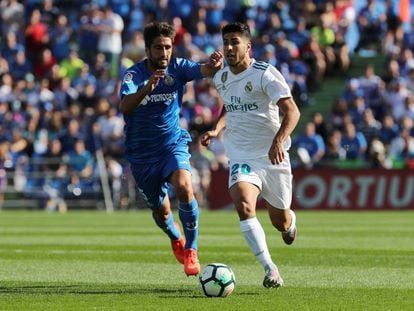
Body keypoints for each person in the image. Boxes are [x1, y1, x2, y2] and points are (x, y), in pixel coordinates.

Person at [201, 22, 300, 288]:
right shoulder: (221, 77)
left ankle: (290, 223)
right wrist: (216, 129)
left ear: (248, 46)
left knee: (280, 221)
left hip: (272, 156)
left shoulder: (265, 74)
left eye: (235, 42)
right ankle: (271, 269)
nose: (230, 47)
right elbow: (229, 108)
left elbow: (292, 112)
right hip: (241, 155)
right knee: (244, 205)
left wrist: (279, 140)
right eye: (226, 42)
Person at [119, 22, 223, 277]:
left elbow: (205, 70)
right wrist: (147, 89)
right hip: (142, 155)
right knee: (161, 210)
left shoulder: (178, 68)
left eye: (167, 47)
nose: (164, 52)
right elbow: (124, 107)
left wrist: (214, 64)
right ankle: (175, 236)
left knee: (185, 187)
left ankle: (192, 249)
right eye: (158, 48)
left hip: (171, 145)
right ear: (147, 50)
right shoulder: (133, 76)